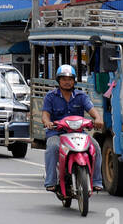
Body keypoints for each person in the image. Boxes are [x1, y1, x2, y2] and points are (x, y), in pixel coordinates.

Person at [41, 65, 103, 193]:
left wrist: (98, 119)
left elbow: (92, 110)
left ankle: (97, 181)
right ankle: (50, 181)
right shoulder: (50, 97)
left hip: (78, 133)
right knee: (52, 147)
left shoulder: (81, 96)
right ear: (58, 81)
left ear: (74, 80)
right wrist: (47, 122)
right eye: (63, 79)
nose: (67, 82)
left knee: (95, 147)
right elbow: (45, 115)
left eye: (70, 79)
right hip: (57, 133)